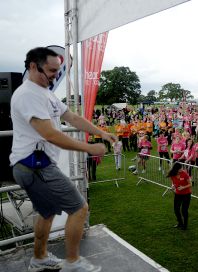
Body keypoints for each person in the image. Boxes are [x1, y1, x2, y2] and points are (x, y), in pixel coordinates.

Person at [10, 47, 116, 272]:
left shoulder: (43, 92)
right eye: (51, 71)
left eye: (58, 71)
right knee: (79, 209)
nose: (55, 76)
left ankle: (38, 258)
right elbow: (50, 134)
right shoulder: (28, 94)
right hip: (35, 165)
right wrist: (89, 148)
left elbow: (73, 118)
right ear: (32, 67)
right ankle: (73, 262)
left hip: (31, 165)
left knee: (46, 213)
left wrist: (102, 133)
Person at [167, 162, 192, 230]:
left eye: (182, 168)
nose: (182, 169)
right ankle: (180, 223)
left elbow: (190, 184)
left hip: (186, 194)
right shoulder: (172, 174)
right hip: (178, 194)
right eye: (180, 168)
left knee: (184, 210)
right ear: (176, 169)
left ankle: (185, 225)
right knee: (176, 209)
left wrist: (183, 187)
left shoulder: (184, 174)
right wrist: (173, 186)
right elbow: (174, 182)